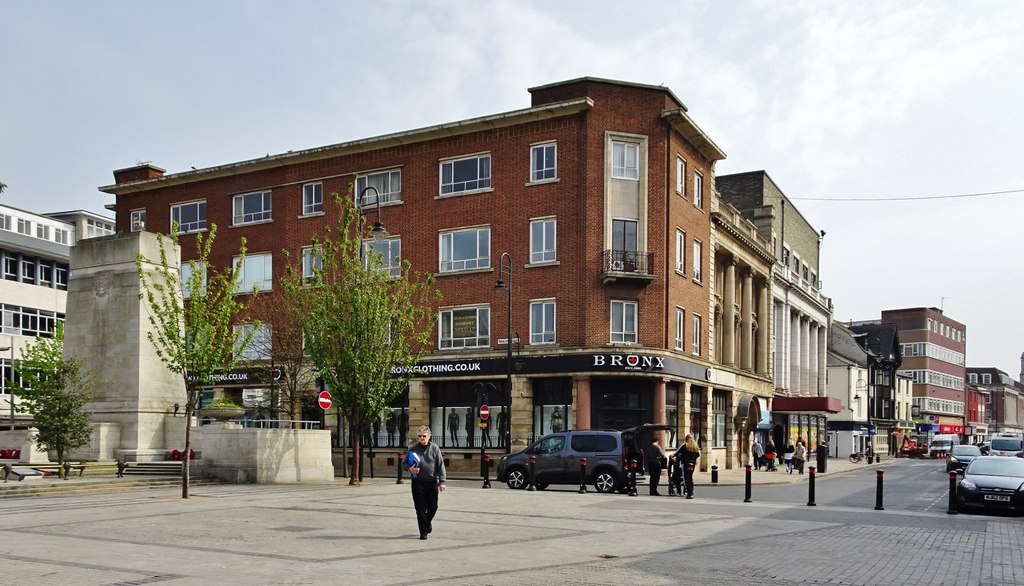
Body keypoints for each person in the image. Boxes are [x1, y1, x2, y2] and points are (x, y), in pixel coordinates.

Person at [404, 425, 446, 540]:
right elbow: (404, 463)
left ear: (429, 437)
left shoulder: (435, 448)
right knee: (420, 508)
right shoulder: (412, 449)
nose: (422, 438)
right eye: (419, 436)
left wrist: (442, 482)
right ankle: (423, 532)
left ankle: (427, 523)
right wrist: (410, 468)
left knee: (433, 506)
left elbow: (440, 466)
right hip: (418, 483)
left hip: (431, 482)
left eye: (424, 436)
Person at [673, 434, 700, 498]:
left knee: (685, 478)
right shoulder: (695, 445)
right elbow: (698, 454)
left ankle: (688, 492)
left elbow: (677, 452)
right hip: (692, 463)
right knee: (690, 477)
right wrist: (693, 459)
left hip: (685, 463)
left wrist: (673, 455)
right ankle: (691, 492)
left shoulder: (685, 445)